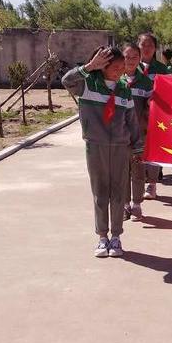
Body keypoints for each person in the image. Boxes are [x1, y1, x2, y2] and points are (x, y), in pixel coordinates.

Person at [62, 46, 143, 258]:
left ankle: (116, 237)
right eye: (115, 67)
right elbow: (66, 81)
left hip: (120, 148)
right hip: (95, 146)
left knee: (118, 193)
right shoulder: (88, 84)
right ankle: (102, 237)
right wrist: (88, 67)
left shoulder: (124, 89)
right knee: (100, 193)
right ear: (102, 66)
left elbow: (132, 120)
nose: (119, 71)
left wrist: (137, 147)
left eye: (122, 67)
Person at [121, 42, 155, 222]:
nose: (131, 60)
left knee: (138, 171)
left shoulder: (146, 82)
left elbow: (152, 107)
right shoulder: (114, 79)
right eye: (127, 57)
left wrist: (150, 105)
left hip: (139, 135)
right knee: (122, 171)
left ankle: (136, 204)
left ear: (140, 58)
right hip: (118, 135)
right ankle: (125, 204)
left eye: (135, 57)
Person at [137, 33, 170, 200]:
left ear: (155, 48)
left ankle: (152, 184)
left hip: (155, 116)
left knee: (154, 150)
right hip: (134, 114)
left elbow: (169, 92)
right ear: (138, 46)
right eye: (143, 44)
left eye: (150, 45)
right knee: (136, 150)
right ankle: (137, 183)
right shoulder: (130, 66)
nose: (147, 48)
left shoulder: (162, 69)